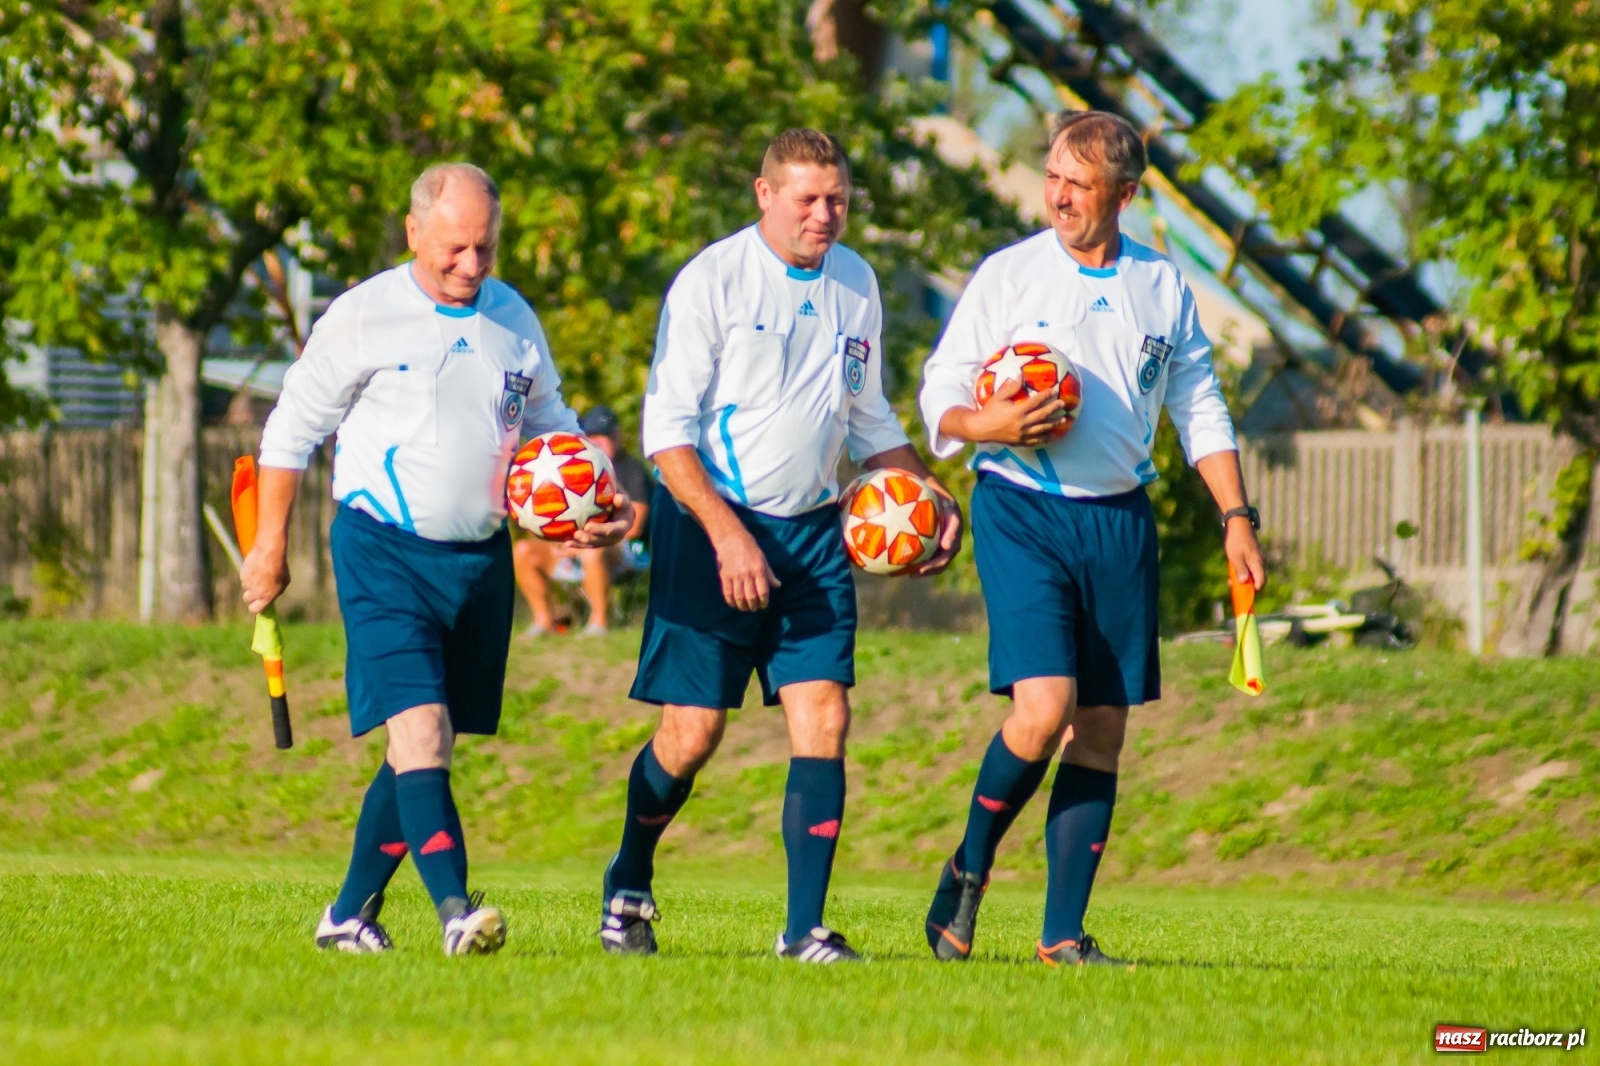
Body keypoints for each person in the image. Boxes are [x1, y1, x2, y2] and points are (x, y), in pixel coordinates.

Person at [241, 163, 632, 956]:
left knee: (424, 741)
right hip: (382, 551)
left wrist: (589, 506)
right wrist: (270, 544)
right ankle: (458, 911)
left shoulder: (514, 318)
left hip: (479, 559)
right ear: (415, 231)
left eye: (485, 248)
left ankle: (348, 917)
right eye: (455, 248)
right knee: (421, 733)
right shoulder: (363, 316)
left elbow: (549, 428)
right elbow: (289, 432)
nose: (472, 265)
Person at [598, 129, 962, 964]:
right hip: (710, 529)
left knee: (825, 716)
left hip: (814, 533)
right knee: (691, 736)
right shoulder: (712, 281)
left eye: (836, 198)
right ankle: (628, 879)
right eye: (806, 199)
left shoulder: (857, 282)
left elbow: (867, 415)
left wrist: (929, 493)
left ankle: (804, 930)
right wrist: (727, 537)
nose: (824, 214)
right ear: (764, 194)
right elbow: (667, 434)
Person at [918, 111, 1266, 967]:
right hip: (1023, 507)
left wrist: (1235, 517)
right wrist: (984, 421)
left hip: (1118, 518)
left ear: (1125, 194)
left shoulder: (1162, 286)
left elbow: (1198, 408)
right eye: (1051, 177)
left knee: (1102, 729)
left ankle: (1062, 935)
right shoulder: (1010, 274)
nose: (1058, 195)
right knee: (1042, 711)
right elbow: (940, 393)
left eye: (1078, 182)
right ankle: (969, 867)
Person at [513, 405, 654, 636]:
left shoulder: (632, 469)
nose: (599, 441)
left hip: (627, 551)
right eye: (594, 436)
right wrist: (560, 540)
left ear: (617, 437)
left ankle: (598, 623)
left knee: (592, 553)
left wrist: (588, 541)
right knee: (523, 550)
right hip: (575, 547)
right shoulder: (569, 470)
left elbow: (635, 526)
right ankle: (544, 621)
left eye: (605, 436)